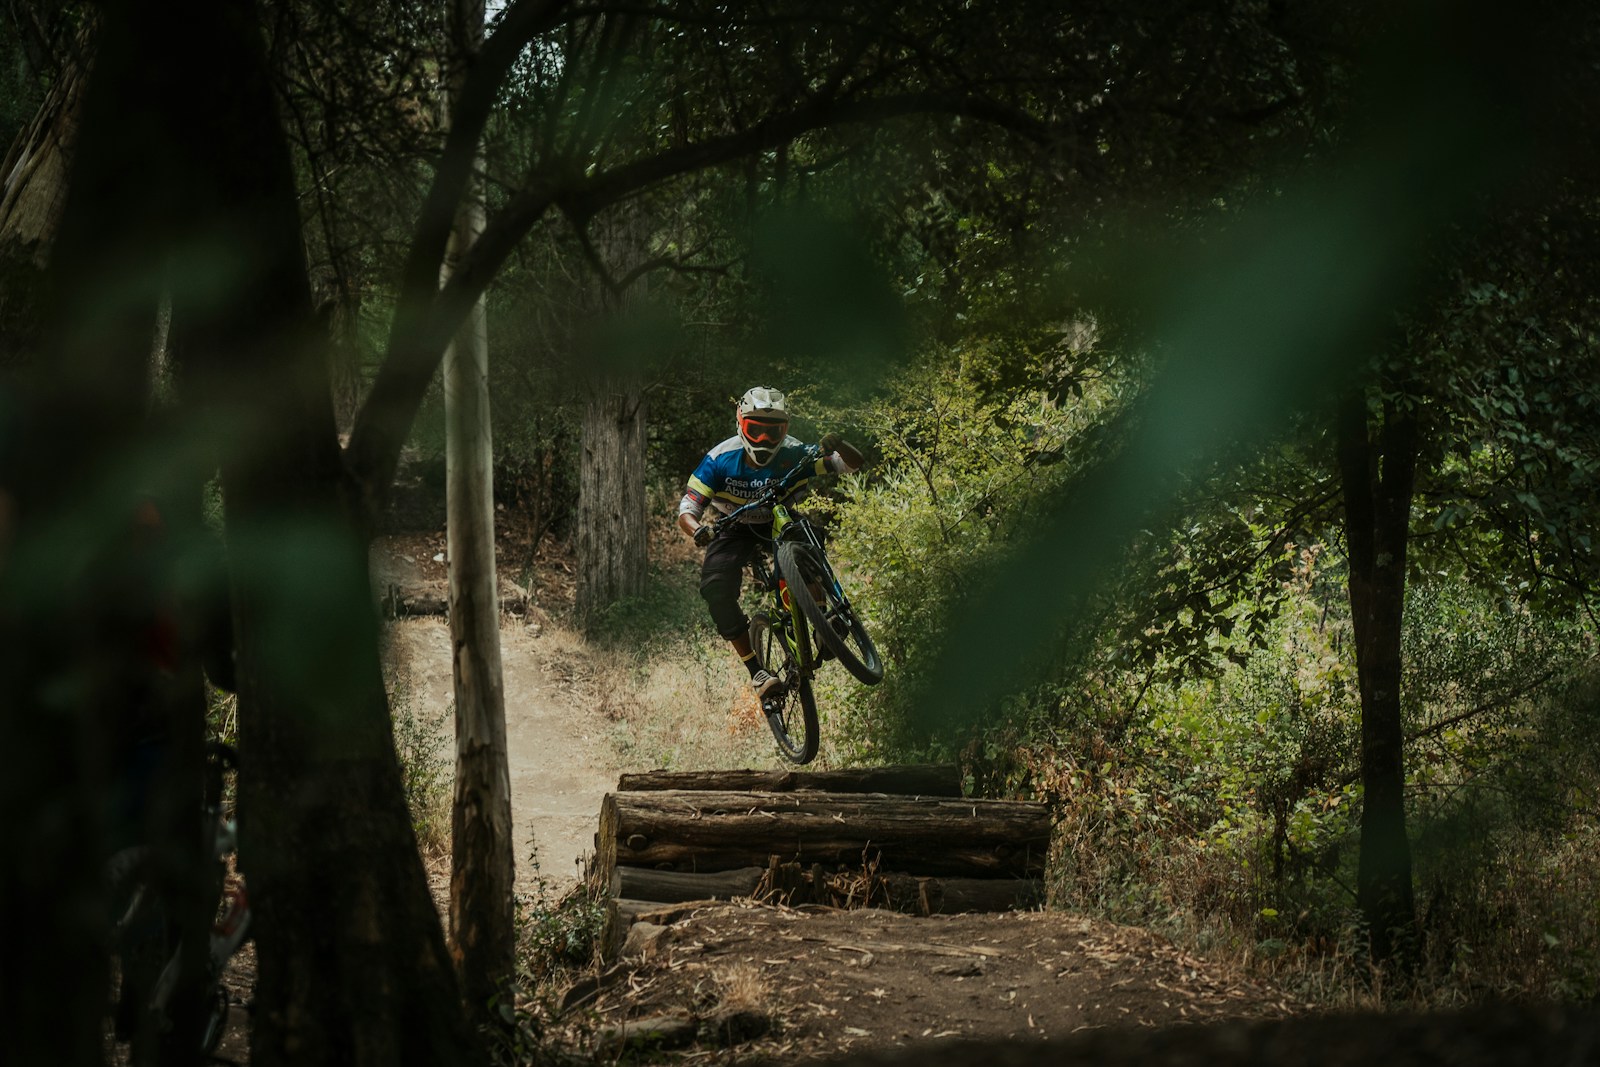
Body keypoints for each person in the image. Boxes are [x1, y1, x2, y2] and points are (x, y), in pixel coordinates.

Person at [677, 386, 864, 699]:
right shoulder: (720, 459)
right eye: (756, 431)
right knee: (715, 587)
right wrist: (697, 530)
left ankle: (819, 626)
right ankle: (758, 671)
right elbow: (688, 508)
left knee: (803, 546)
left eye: (773, 432)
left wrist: (840, 445)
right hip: (733, 526)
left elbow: (850, 464)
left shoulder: (796, 452)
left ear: (785, 430)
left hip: (780, 518)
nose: (764, 440)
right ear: (740, 424)